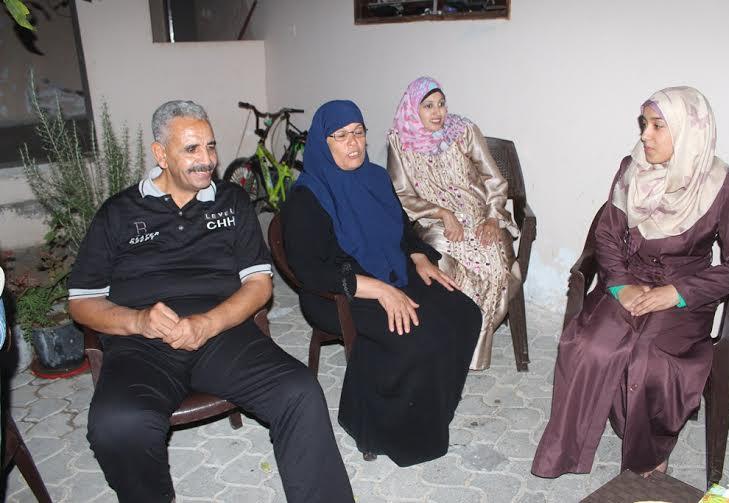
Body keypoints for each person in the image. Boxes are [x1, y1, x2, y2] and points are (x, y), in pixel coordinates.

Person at [67, 100, 353, 503]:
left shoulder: (232, 201)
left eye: (211, 146)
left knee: (299, 391)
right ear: (160, 154)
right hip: (142, 346)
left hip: (224, 334)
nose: (207, 159)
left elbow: (259, 285)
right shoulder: (118, 213)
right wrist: (139, 321)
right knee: (117, 425)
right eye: (192, 149)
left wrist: (208, 323)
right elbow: (82, 302)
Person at [531, 87, 729, 478]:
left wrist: (679, 293)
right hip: (629, 280)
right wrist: (621, 285)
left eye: (657, 126)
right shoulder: (631, 168)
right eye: (644, 124)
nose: (644, 135)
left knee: (651, 362)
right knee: (590, 347)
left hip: (684, 293)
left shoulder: (726, 186)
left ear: (689, 131)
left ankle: (649, 452)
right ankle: (569, 450)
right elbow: (606, 234)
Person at [282, 100, 481, 467]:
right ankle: (376, 427)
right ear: (323, 143)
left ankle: (434, 408)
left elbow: (402, 227)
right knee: (418, 337)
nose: (353, 143)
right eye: (341, 136)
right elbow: (309, 271)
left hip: (390, 269)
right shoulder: (307, 196)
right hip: (338, 290)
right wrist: (379, 290)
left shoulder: (375, 177)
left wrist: (420, 256)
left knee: (464, 314)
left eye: (358, 133)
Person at [387, 76, 521, 371]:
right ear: (413, 109)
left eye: (441, 104)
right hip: (433, 221)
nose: (438, 112)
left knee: (497, 268)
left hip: (480, 216)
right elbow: (401, 194)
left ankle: (470, 351)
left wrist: (492, 218)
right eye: (428, 106)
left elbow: (495, 180)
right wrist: (442, 213)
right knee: (441, 267)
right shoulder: (400, 141)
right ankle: (444, 341)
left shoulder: (464, 132)